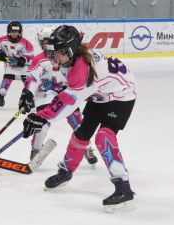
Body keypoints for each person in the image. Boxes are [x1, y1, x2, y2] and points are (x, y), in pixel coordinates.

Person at [21, 25, 138, 211]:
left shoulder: (83, 68)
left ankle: (124, 188)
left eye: (59, 52)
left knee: (104, 136)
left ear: (70, 49)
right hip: (100, 95)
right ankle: (65, 172)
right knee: (81, 135)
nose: (54, 57)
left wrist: (41, 116)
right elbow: (69, 89)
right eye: (53, 52)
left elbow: (68, 102)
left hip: (121, 95)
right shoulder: (73, 59)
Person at [19, 25, 98, 165]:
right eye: (43, 42)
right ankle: (36, 149)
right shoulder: (39, 59)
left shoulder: (67, 56)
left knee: (77, 122)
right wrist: (28, 92)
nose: (46, 46)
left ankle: (86, 147)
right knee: (42, 124)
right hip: (45, 95)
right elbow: (32, 77)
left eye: (48, 42)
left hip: (66, 93)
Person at [0, 20, 34, 108]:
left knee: (27, 80)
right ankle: (1, 95)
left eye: (16, 31)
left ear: (19, 32)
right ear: (9, 31)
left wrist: (23, 59)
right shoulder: (2, 40)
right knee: (7, 77)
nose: (14, 33)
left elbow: (31, 54)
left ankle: (28, 98)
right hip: (10, 64)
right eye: (12, 31)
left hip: (22, 66)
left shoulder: (25, 43)